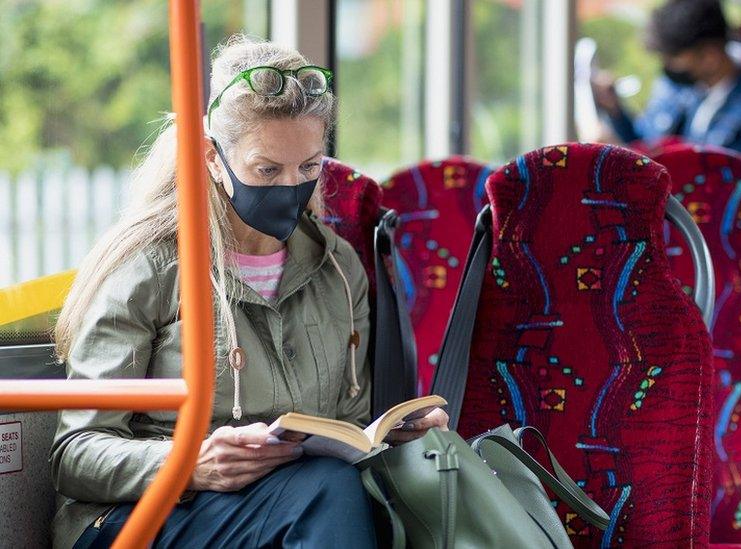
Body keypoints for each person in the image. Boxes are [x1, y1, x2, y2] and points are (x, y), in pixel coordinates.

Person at [49, 35, 448, 549]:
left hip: (294, 501)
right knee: (327, 494)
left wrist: (386, 435)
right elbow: (75, 453)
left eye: (308, 167)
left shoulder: (338, 267)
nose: (290, 187)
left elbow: (345, 425)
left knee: (349, 493)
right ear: (213, 158)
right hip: (145, 513)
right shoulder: (148, 268)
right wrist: (193, 465)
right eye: (266, 170)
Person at [592, 0, 741, 157]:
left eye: (673, 59)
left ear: (709, 57)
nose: (667, 67)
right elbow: (647, 141)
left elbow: (723, 178)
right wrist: (615, 112)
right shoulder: (677, 84)